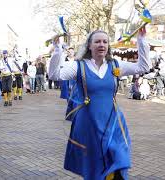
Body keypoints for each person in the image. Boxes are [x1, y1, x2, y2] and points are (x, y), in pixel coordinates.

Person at [48, 28, 150, 180]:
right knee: (94, 166)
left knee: (119, 158)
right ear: (89, 45)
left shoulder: (115, 65)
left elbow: (143, 67)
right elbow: (54, 75)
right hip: (89, 125)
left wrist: (141, 40)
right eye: (97, 41)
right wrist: (57, 50)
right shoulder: (79, 66)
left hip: (113, 121)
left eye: (105, 41)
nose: (101, 44)